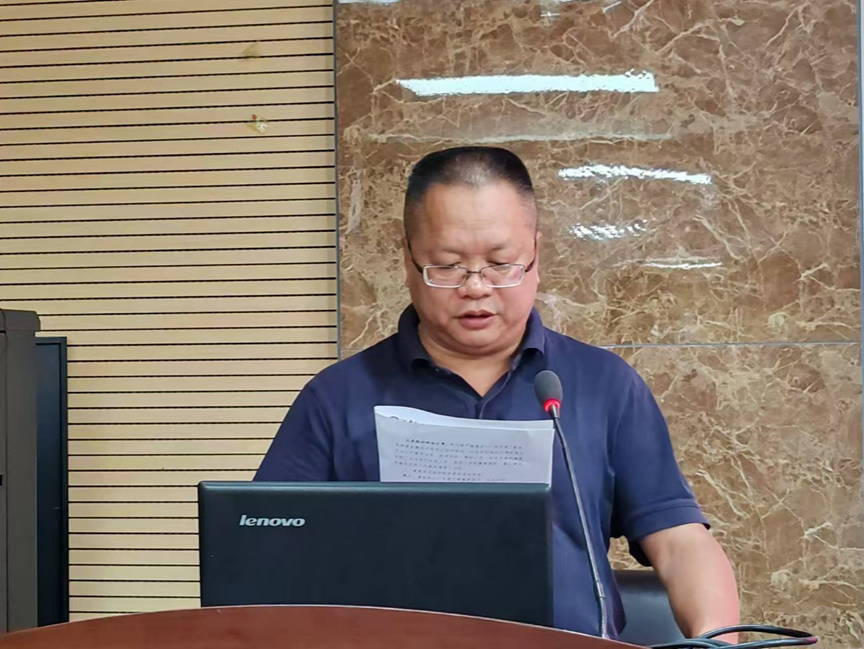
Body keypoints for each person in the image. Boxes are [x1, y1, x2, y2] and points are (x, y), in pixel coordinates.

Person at [255, 146, 740, 639]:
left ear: (535, 255)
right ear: (408, 259)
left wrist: (718, 640)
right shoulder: (337, 398)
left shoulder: (604, 384)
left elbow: (680, 543)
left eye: (501, 263)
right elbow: (266, 553)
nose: (476, 287)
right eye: (447, 266)